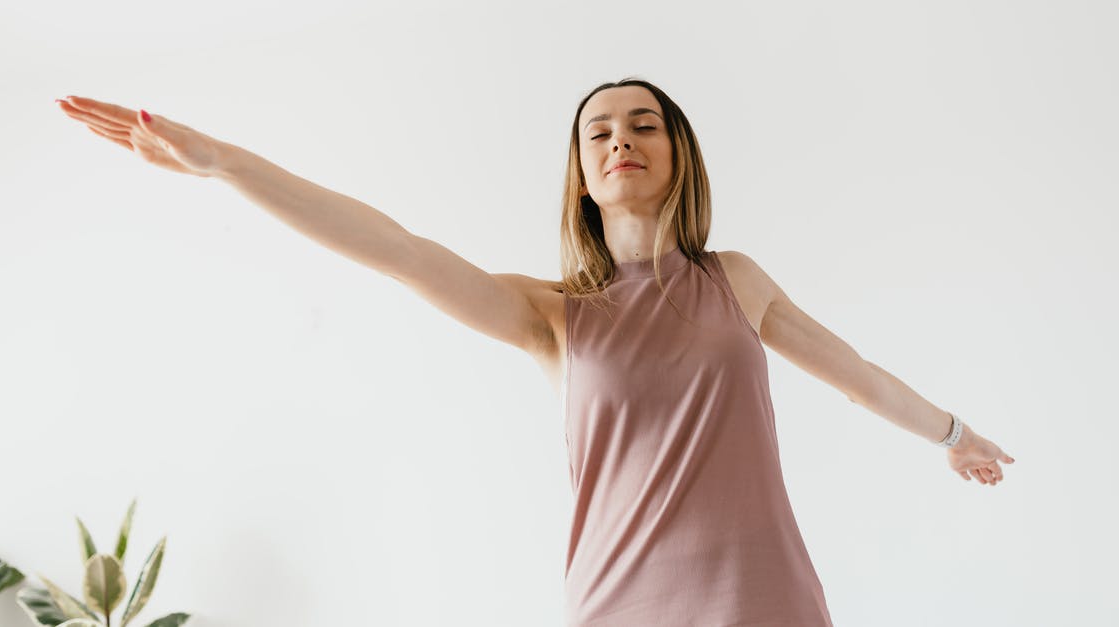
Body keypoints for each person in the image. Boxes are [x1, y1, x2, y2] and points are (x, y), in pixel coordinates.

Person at [54, 77, 1016, 626]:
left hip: (762, 597)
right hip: (619, 602)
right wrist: (227, 164)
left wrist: (953, 433)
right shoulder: (553, 314)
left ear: (677, 152)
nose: (622, 139)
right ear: (583, 175)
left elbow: (855, 375)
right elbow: (393, 246)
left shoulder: (737, 279)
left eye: (644, 124)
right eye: (600, 130)